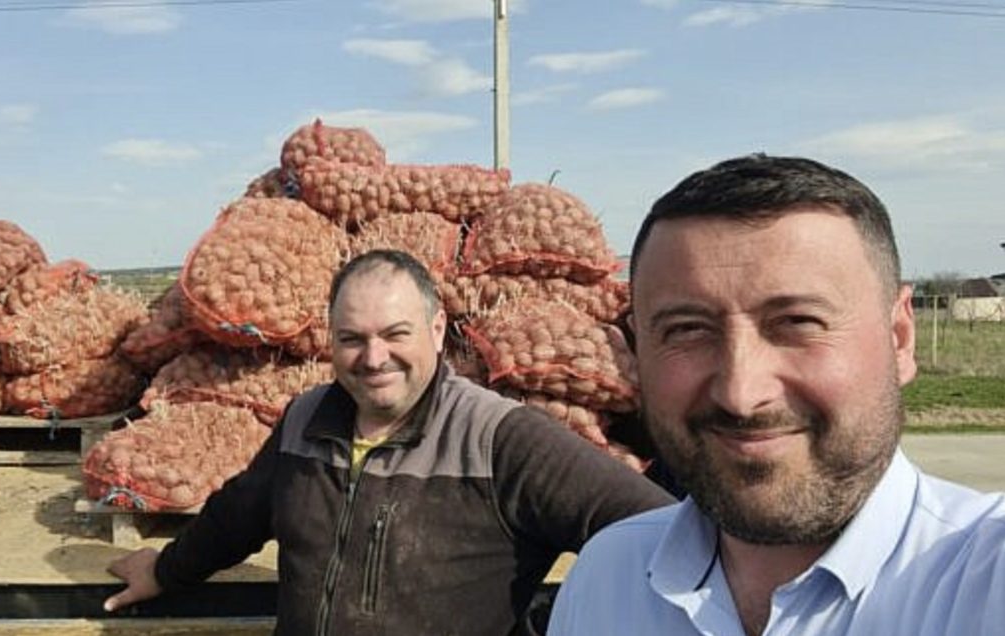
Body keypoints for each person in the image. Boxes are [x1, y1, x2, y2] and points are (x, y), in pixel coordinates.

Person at [104, 249, 675, 635]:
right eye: (352, 339)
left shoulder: (499, 438)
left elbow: (661, 534)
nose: (373, 358)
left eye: (395, 334)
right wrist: (166, 570)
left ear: (435, 330)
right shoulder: (306, 419)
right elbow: (239, 513)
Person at [548, 155, 1005, 635]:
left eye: (796, 323)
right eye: (687, 330)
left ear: (899, 337)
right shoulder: (608, 579)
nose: (740, 394)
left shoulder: (983, 579)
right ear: (637, 350)